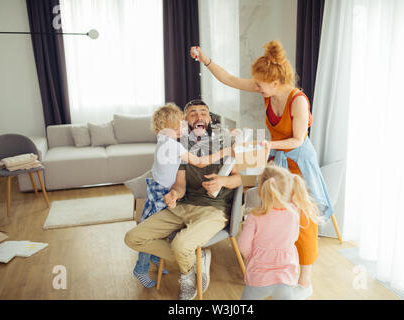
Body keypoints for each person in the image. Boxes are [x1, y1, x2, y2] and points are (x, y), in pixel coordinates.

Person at [191, 40, 333, 299]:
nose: (256, 88)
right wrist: (205, 59)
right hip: (278, 161)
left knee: (304, 221)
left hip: (300, 162)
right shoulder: (266, 87)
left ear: (275, 83)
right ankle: (278, 273)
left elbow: (298, 140)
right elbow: (231, 80)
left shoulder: (298, 101)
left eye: (260, 85)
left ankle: (305, 282)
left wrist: (268, 144)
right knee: (277, 216)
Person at [125, 99, 242, 300]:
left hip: (213, 210)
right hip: (183, 206)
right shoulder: (178, 147)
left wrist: (222, 181)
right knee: (133, 237)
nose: (199, 116)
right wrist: (173, 194)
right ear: (185, 122)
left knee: (181, 245)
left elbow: (238, 178)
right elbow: (179, 185)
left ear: (210, 118)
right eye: (193, 113)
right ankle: (196, 261)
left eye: (203, 112)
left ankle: (188, 277)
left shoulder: (226, 142)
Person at [238, 165, 323, 300]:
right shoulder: (295, 212)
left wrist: (252, 255)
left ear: (261, 190)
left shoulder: (254, 215)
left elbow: (243, 244)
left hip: (258, 278)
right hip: (286, 278)